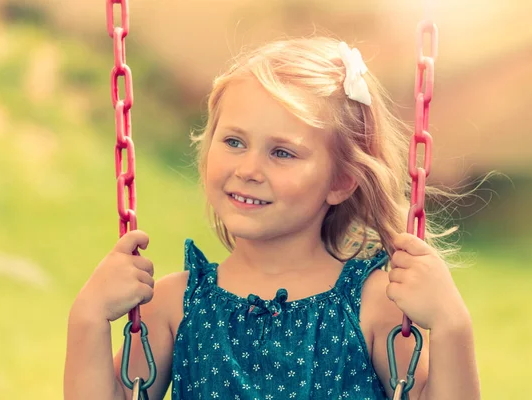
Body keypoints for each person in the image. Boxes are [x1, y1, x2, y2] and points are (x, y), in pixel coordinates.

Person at [64, 36, 480, 400]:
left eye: (282, 152)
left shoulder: (373, 307)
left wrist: (450, 324)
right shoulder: (175, 307)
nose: (248, 169)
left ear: (341, 181)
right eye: (233, 141)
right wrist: (87, 317)